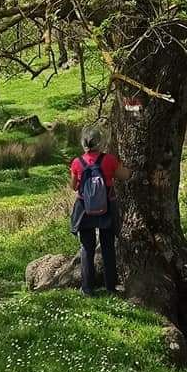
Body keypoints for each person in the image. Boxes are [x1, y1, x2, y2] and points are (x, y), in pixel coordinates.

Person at [70, 127, 131, 297]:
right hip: (107, 207)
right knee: (108, 247)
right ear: (100, 142)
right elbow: (125, 175)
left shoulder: (77, 162)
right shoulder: (109, 160)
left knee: (87, 248)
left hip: (84, 208)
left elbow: (74, 186)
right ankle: (111, 286)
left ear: (84, 143)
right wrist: (125, 165)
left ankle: (87, 288)